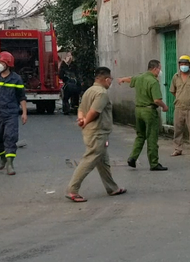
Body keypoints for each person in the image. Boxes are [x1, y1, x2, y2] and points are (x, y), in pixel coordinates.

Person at [65, 67, 127, 202]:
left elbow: (81, 109)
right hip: (97, 132)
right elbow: (95, 111)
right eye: (110, 80)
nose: (110, 83)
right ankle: (73, 189)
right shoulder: (102, 93)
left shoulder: (89, 91)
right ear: (106, 79)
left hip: (92, 131)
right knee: (90, 159)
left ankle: (112, 187)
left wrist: (82, 120)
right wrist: (86, 121)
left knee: (103, 161)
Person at [117, 59, 169, 171]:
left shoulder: (140, 77)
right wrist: (164, 106)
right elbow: (156, 100)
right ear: (155, 69)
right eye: (159, 69)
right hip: (149, 111)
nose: (160, 72)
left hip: (138, 110)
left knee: (140, 135)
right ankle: (154, 163)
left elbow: (131, 79)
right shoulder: (153, 81)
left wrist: (122, 79)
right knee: (152, 137)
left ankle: (132, 158)